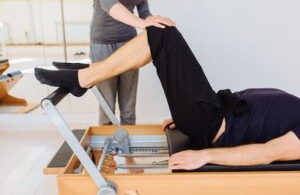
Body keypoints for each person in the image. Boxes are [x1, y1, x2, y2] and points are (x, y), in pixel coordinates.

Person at [35, 26, 300, 170]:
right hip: (211, 109)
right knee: (161, 31)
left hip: (212, 123)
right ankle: (88, 74)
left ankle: (83, 79)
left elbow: (267, 153)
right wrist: (186, 112)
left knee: (162, 35)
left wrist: (204, 156)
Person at [54, 0, 175, 125]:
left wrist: (154, 20)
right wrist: (143, 24)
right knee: (107, 105)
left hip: (129, 43)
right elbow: (108, 4)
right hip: (102, 44)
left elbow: (144, 12)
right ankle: (107, 142)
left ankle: (127, 141)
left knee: (128, 106)